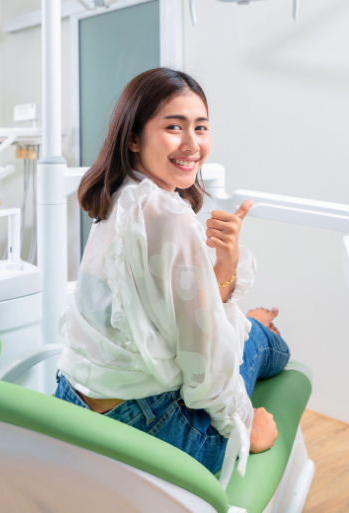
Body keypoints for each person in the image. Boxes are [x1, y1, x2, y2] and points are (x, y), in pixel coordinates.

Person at [55, 67, 290, 488]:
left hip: (73, 403)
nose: (192, 144)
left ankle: (252, 321)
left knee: (235, 325)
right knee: (270, 346)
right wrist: (246, 427)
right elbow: (207, 368)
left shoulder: (120, 197)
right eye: (173, 127)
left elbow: (177, 312)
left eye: (200, 127)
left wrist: (226, 261)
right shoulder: (165, 214)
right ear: (133, 136)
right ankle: (259, 325)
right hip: (144, 428)